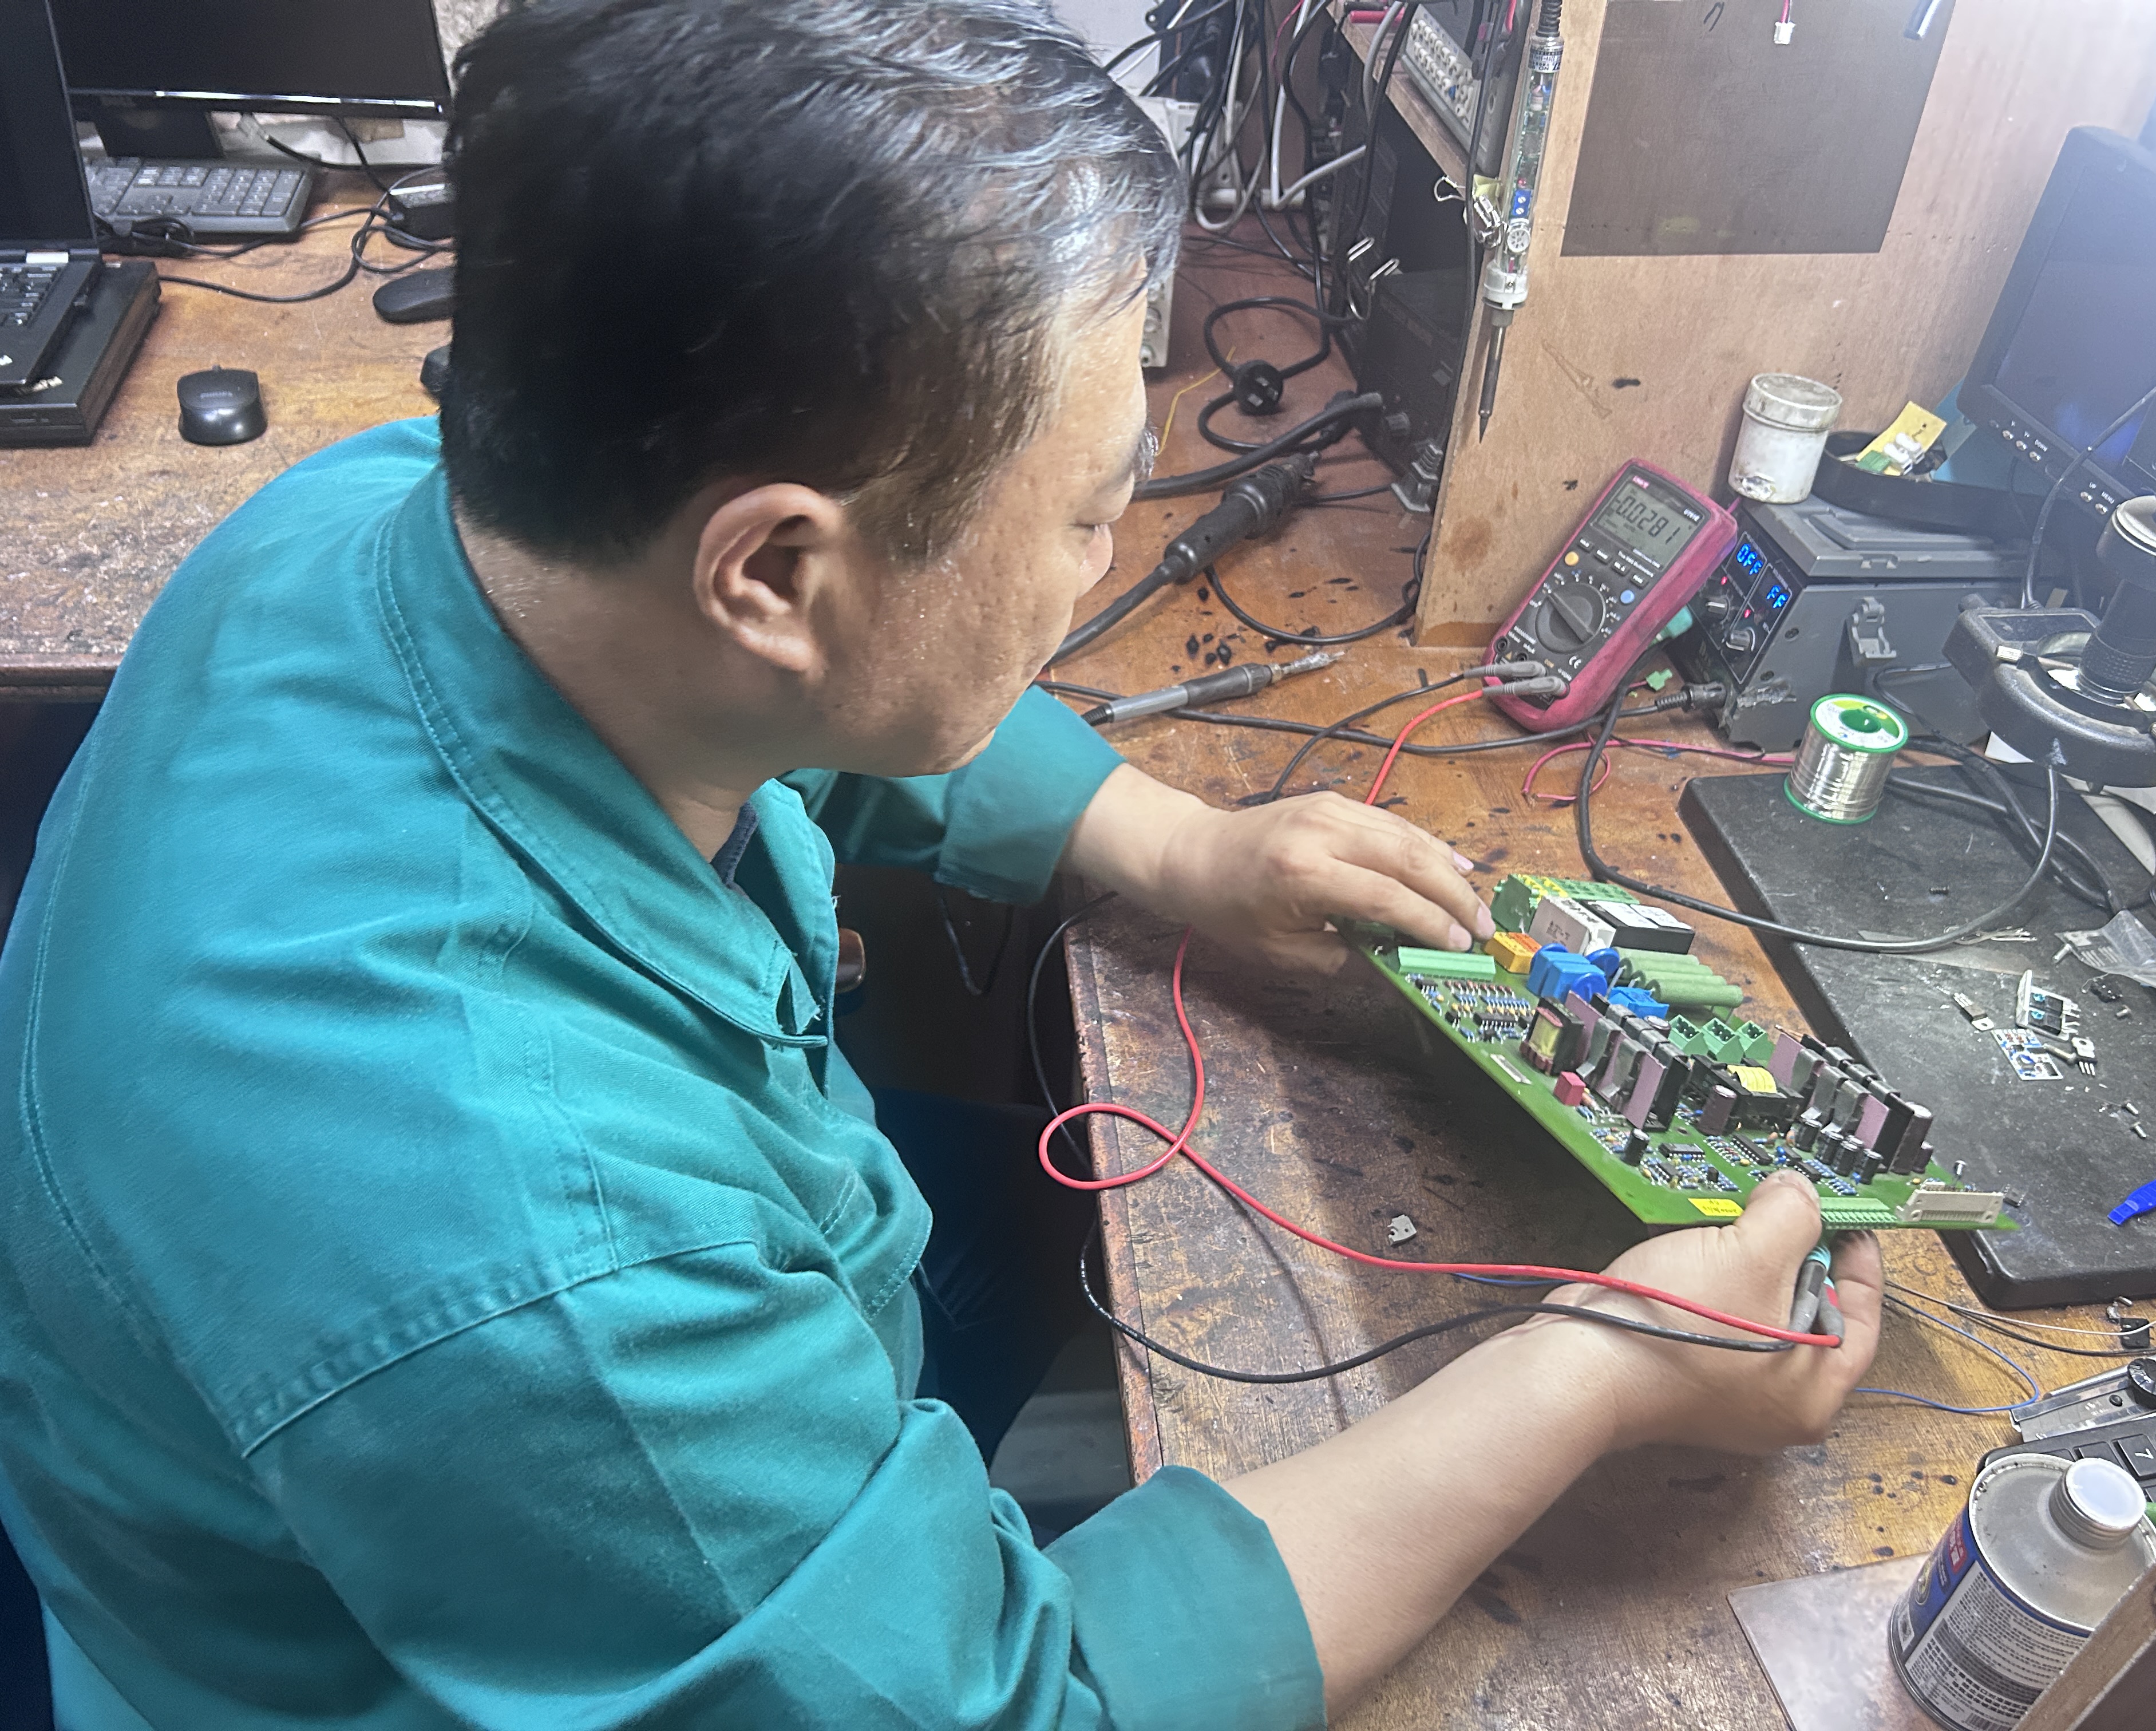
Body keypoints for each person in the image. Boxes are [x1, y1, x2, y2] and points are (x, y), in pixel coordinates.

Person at [0, 2, 1882, 1725]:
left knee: (1042, 1220)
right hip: (391, 1636)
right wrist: (1601, 1363)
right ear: (774, 572)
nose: (1101, 564)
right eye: (1084, 514)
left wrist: (1183, 845)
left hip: (467, 1400)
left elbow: (791, 703)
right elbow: (1018, 1706)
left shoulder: (384, 519)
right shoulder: (546, 1258)